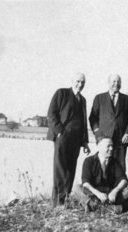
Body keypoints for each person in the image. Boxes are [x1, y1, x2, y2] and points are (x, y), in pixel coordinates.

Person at [46, 72, 90, 208]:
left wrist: (85, 142)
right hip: (63, 137)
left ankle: (65, 199)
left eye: (83, 82)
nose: (80, 84)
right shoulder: (62, 93)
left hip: (76, 140)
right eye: (78, 81)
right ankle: (57, 201)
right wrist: (59, 132)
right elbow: (51, 114)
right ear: (72, 81)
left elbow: (83, 122)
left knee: (71, 169)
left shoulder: (82, 100)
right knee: (60, 168)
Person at [89, 74, 128, 171]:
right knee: (103, 164)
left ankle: (119, 185)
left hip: (121, 139)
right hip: (103, 138)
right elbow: (93, 117)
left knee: (120, 167)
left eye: (118, 82)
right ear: (109, 83)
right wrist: (97, 133)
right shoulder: (99, 98)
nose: (116, 84)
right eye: (114, 81)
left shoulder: (127, 99)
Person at [71, 137, 128, 213]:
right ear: (99, 146)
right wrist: (98, 194)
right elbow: (85, 182)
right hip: (93, 193)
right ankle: (104, 207)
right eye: (108, 146)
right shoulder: (89, 161)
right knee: (76, 188)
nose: (111, 148)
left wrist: (115, 191)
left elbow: (123, 180)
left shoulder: (115, 162)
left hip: (110, 194)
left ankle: (95, 206)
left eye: (112, 146)